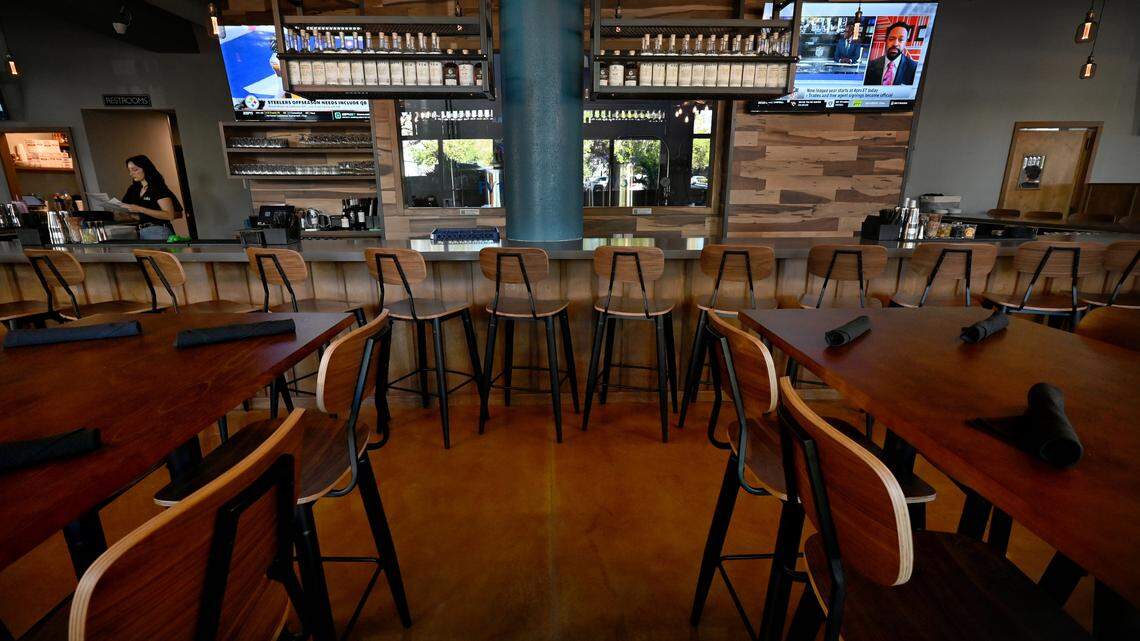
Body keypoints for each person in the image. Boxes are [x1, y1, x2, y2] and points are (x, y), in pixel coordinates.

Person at [121, 155, 182, 229]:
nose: (131, 174)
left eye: (134, 169)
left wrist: (140, 209)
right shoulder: (132, 189)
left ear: (145, 168)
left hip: (157, 230)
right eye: (129, 170)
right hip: (139, 231)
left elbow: (171, 215)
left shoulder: (158, 187)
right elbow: (123, 208)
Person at [864, 21, 917, 85]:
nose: (895, 44)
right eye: (891, 39)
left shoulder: (915, 68)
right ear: (886, 40)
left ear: (905, 43)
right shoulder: (870, 66)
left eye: (901, 40)